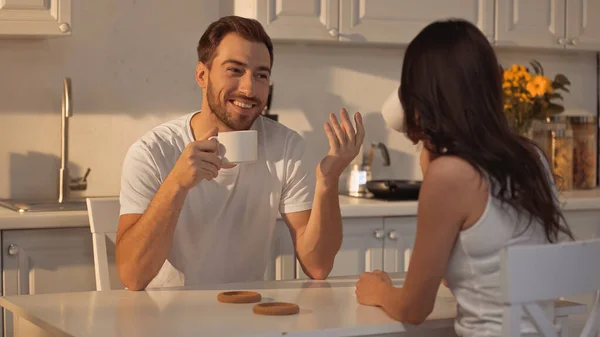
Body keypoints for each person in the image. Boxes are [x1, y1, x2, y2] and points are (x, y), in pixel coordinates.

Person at [354, 19, 574, 336]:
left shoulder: (450, 175)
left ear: (420, 97)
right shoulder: (532, 156)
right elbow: (473, 265)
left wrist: (379, 290)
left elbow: (414, 309)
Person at [116, 16, 365, 291]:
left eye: (261, 75)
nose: (249, 89)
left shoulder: (286, 147)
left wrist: (328, 183)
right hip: (164, 321)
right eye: (235, 70)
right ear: (202, 75)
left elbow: (318, 266)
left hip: (248, 313)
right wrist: (176, 184)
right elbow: (132, 276)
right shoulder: (152, 152)